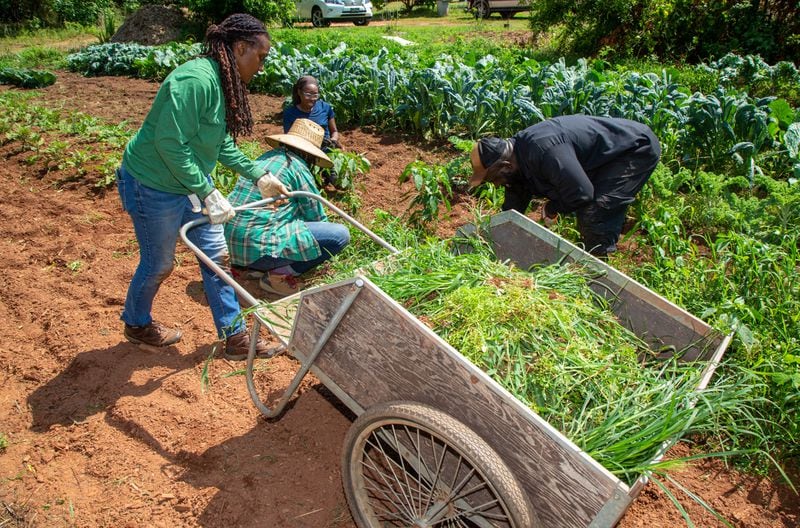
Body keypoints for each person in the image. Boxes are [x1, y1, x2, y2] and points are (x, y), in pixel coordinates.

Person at [117, 13, 289, 360]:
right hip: (152, 183)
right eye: (262, 56)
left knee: (217, 260)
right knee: (159, 263)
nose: (262, 64)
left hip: (189, 183)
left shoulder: (223, 83)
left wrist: (258, 175)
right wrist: (208, 191)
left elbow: (220, 144)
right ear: (241, 48)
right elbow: (169, 143)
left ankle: (235, 337)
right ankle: (136, 322)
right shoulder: (194, 80)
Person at [469, 115, 661, 257]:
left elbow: (582, 193)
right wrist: (495, 237)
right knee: (582, 196)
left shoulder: (544, 151)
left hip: (633, 149)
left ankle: (597, 270)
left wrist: (552, 208)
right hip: (600, 158)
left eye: (491, 178)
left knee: (596, 209)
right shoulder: (517, 159)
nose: (494, 184)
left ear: (505, 166)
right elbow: (515, 201)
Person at [225, 118, 350, 296]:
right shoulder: (298, 167)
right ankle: (278, 276)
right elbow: (316, 216)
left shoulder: (264, 158)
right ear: (310, 153)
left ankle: (255, 269)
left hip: (231, 244)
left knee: (279, 218)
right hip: (258, 249)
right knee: (339, 235)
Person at [282, 75, 341, 186]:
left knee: (336, 181)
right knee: (307, 183)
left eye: (315, 95)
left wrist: (332, 141)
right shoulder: (290, 113)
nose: (312, 98)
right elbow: (289, 139)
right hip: (303, 155)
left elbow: (335, 131)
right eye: (308, 94)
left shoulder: (325, 108)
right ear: (299, 92)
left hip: (326, 153)